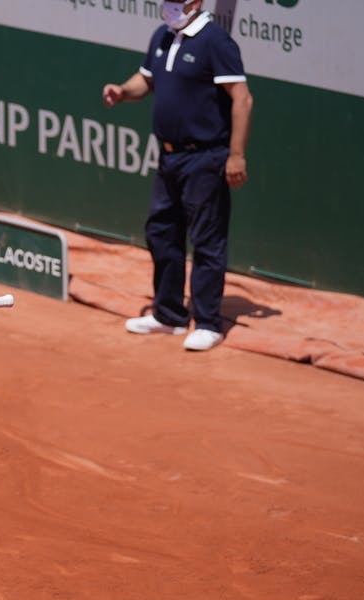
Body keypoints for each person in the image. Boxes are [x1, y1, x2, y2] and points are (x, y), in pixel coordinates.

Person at [102, 0, 253, 351]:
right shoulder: (163, 36)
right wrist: (124, 92)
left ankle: (209, 323)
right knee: (162, 232)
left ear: (196, 2)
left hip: (206, 157)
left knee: (206, 241)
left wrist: (236, 155)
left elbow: (242, 100)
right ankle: (169, 315)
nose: (168, 6)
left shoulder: (216, 42)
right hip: (168, 158)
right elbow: (147, 79)